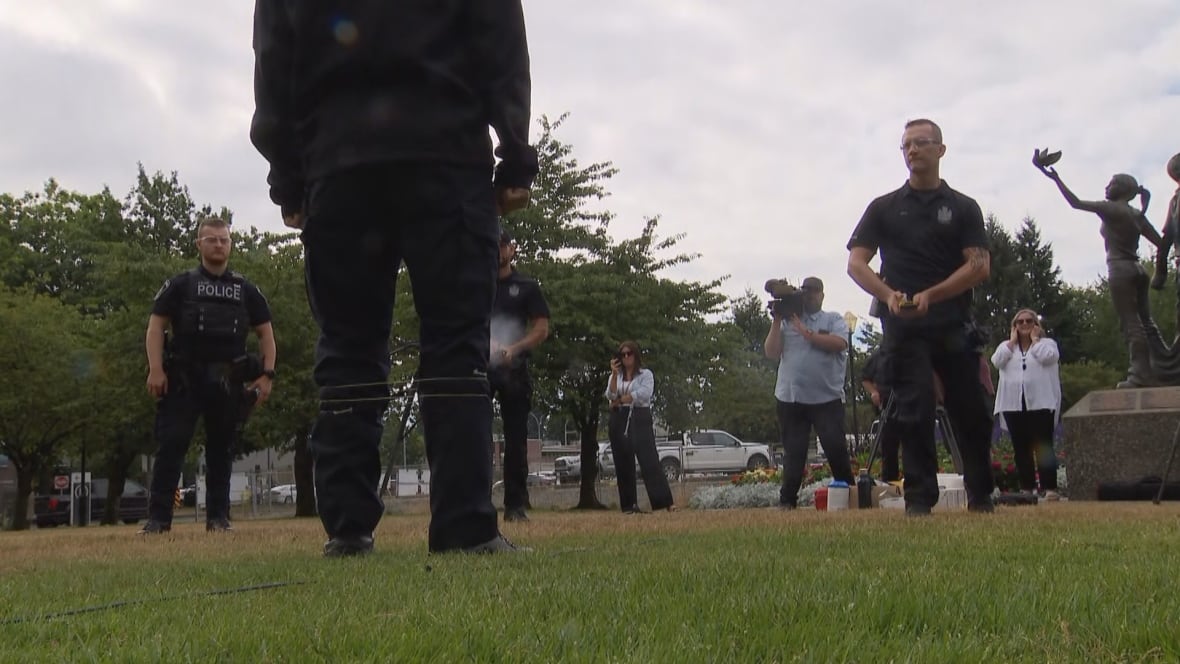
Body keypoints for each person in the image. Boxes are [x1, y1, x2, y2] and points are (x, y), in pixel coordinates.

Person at [250, 1, 537, 556]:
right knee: (456, 342)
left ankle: (347, 528)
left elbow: (273, 60)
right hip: (446, 151)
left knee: (349, 346)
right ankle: (464, 527)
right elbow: (500, 38)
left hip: (339, 161)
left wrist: (288, 177)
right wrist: (516, 155)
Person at [847, 118, 996, 516]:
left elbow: (979, 267)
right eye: (906, 145)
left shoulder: (963, 207)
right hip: (904, 327)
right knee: (913, 408)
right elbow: (856, 263)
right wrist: (888, 295)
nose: (913, 151)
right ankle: (918, 500)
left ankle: (981, 496)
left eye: (922, 143)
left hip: (953, 325)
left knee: (970, 409)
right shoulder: (884, 208)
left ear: (940, 150)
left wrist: (934, 294)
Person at [142, 217, 276, 534]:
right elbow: (155, 327)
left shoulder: (246, 290)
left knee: (221, 451)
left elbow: (266, 335)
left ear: (231, 244)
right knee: (171, 446)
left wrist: (267, 375)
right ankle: (158, 521)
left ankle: (219, 519)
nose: (218, 245)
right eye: (212, 239)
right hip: (183, 380)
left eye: (224, 240)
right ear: (199, 244)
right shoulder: (180, 285)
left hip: (228, 381)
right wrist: (156, 369)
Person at [1036, 158, 1164, 387]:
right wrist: (1159, 270)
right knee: (1147, 322)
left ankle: (1139, 375)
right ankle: (1161, 367)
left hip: (1120, 269)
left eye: (1111, 183)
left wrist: (1055, 178)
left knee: (1131, 324)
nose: (1107, 187)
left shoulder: (1111, 209)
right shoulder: (1136, 215)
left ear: (1122, 189)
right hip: (1139, 270)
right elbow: (1161, 243)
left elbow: (1075, 202)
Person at [762, 277, 855, 509]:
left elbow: (839, 343)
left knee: (835, 448)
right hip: (791, 397)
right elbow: (772, 352)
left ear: (822, 295)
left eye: (814, 292)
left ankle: (850, 497)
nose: (810, 296)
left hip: (826, 398)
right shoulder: (787, 321)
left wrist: (807, 333)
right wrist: (777, 320)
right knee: (794, 452)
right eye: (806, 292)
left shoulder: (832, 319)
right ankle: (787, 501)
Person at [490, 228, 550, 522]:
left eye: (502, 245)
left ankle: (514, 506)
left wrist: (515, 348)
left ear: (512, 249)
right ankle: (475, 504)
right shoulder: (477, 284)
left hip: (514, 369)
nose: (498, 250)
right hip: (481, 367)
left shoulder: (526, 285)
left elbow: (541, 328)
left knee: (516, 440)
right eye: (493, 244)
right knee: (474, 435)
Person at [990, 309, 1062, 500]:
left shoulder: (1047, 344)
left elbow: (1048, 358)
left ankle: (1049, 488)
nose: (1024, 324)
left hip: (1040, 403)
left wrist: (1035, 341)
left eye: (1029, 321)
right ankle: (1027, 488)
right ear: (1014, 326)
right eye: (1019, 322)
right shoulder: (1007, 347)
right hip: (1014, 404)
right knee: (1021, 448)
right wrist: (1012, 342)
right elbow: (996, 361)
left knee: (1043, 446)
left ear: (1036, 325)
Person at [604, 341, 675, 513]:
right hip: (619, 417)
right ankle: (629, 505)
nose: (626, 357)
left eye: (629, 354)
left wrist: (621, 399)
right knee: (622, 461)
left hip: (639, 416)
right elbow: (610, 394)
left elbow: (644, 394)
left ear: (636, 355)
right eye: (623, 354)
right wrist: (614, 375)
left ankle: (664, 501)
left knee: (648, 458)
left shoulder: (645, 374)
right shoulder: (617, 376)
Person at [860, 348, 901, 483]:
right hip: (888, 406)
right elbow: (865, 378)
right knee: (889, 449)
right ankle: (889, 483)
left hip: (911, 402)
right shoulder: (879, 355)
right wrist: (873, 392)